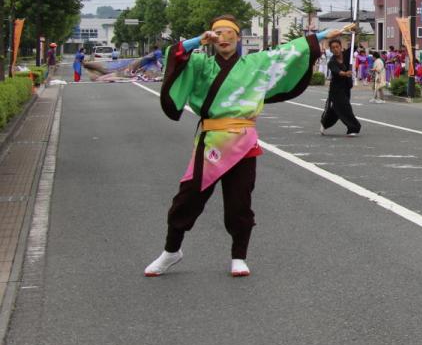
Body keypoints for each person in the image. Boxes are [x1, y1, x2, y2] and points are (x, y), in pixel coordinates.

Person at [143, 16, 344, 278]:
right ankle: (171, 251)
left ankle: (238, 256)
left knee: (240, 201)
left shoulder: (255, 63)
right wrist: (197, 41)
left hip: (243, 140)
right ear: (211, 38)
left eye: (229, 33)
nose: (223, 37)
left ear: (238, 37)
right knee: (188, 196)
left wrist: (322, 35)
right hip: (211, 139)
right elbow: (176, 54)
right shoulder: (201, 64)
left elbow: (287, 52)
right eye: (217, 33)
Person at [320, 37, 362, 136]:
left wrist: (354, 32)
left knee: (336, 110)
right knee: (345, 107)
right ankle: (353, 128)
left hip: (346, 87)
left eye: (337, 47)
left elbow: (354, 45)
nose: (335, 49)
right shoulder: (332, 62)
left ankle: (324, 123)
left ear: (340, 47)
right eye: (333, 48)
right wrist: (345, 73)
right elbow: (337, 71)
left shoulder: (347, 54)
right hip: (336, 89)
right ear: (330, 50)